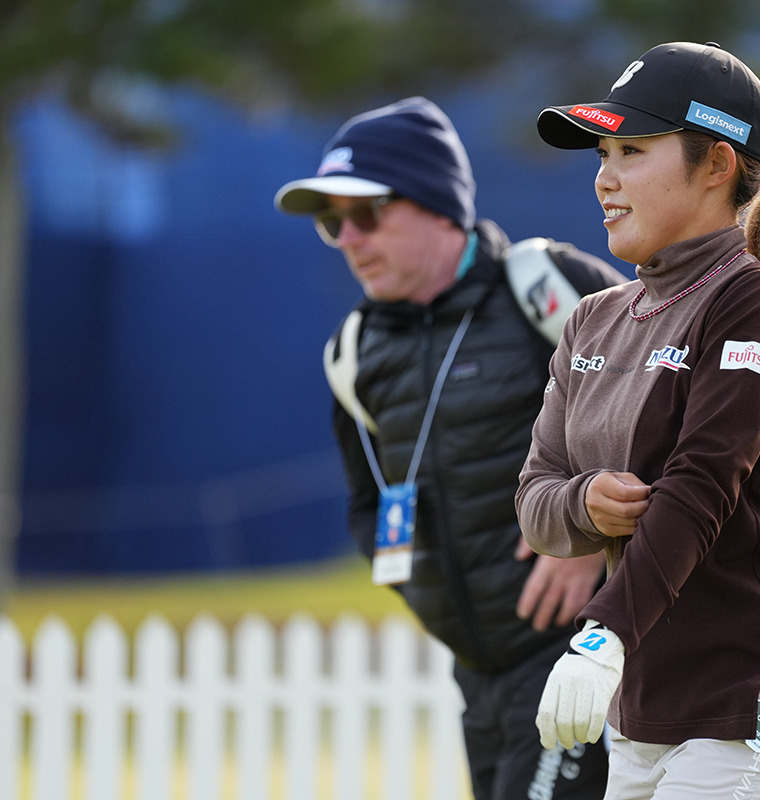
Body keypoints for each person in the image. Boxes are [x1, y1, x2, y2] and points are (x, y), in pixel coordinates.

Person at [515, 42, 760, 799]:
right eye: (603, 154)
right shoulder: (593, 319)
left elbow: (701, 486)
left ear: (717, 164)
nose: (605, 177)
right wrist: (584, 501)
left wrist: (602, 634)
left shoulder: (754, 299)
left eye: (632, 151)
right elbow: (536, 498)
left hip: (753, 710)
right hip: (643, 718)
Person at [274, 96, 626, 800]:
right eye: (332, 222)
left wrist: (589, 538)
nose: (349, 239)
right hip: (476, 671)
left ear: (439, 207)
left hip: (581, 654)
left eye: (366, 213)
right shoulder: (353, 353)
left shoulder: (547, 288)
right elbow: (368, 505)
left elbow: (673, 409)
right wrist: (429, 593)